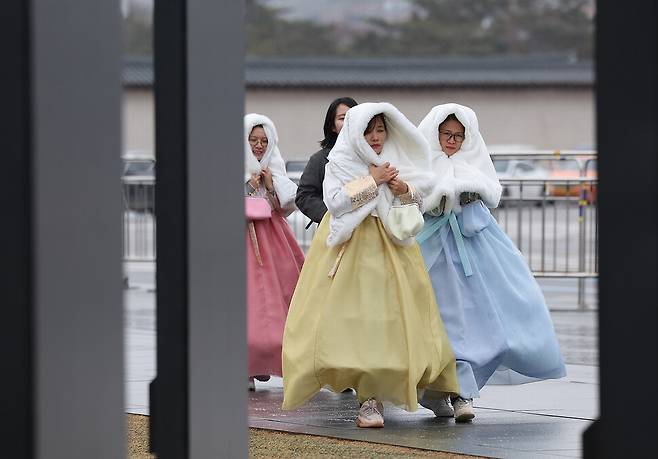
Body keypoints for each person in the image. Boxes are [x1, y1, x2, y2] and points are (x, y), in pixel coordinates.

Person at [282, 102, 459, 428]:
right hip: (351, 248)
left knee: (406, 317)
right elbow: (334, 202)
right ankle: (369, 398)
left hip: (395, 247)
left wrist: (402, 188)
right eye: (369, 130)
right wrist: (372, 181)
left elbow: (418, 199)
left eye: (380, 129)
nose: (375, 137)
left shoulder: (398, 158)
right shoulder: (340, 160)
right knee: (361, 321)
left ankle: (430, 387)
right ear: (355, 132)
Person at [416, 103, 566, 422]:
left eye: (459, 135)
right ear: (434, 132)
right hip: (430, 251)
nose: (452, 141)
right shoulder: (419, 162)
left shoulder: (475, 162)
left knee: (477, 322)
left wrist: (466, 196)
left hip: (474, 250)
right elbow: (410, 199)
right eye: (446, 134)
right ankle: (437, 391)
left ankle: (462, 392)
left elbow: (490, 194)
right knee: (435, 323)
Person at [244, 113, 305, 391]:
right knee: (249, 302)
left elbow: (285, 204)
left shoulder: (273, 166)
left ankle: (280, 358)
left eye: (264, 141)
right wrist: (248, 186)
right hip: (243, 238)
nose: (259, 146)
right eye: (253, 140)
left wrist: (269, 186)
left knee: (282, 297)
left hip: (273, 238)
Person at [295, 97, 358, 226]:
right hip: (332, 233)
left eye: (353, 117)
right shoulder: (320, 160)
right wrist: (329, 216)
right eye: (342, 118)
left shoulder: (372, 156)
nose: (348, 122)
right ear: (332, 126)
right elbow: (304, 196)